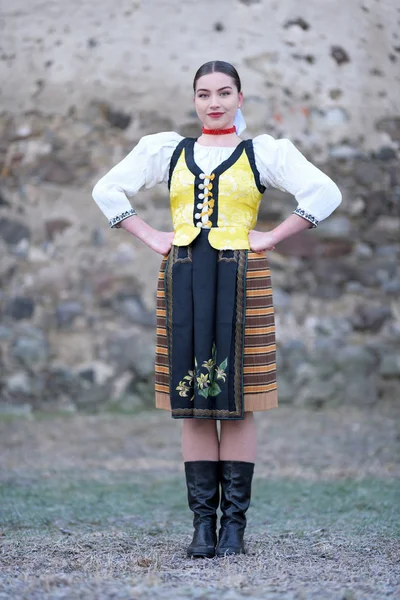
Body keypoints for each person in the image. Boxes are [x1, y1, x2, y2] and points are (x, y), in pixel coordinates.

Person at [92, 60, 342, 559]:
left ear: (240, 98)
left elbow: (325, 191)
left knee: (239, 399)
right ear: (194, 100)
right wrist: (151, 236)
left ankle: (234, 529)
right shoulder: (167, 151)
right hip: (182, 273)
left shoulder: (263, 153)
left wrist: (271, 236)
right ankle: (202, 527)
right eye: (204, 94)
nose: (214, 102)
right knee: (193, 400)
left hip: (241, 276)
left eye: (224, 93)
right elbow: (106, 190)